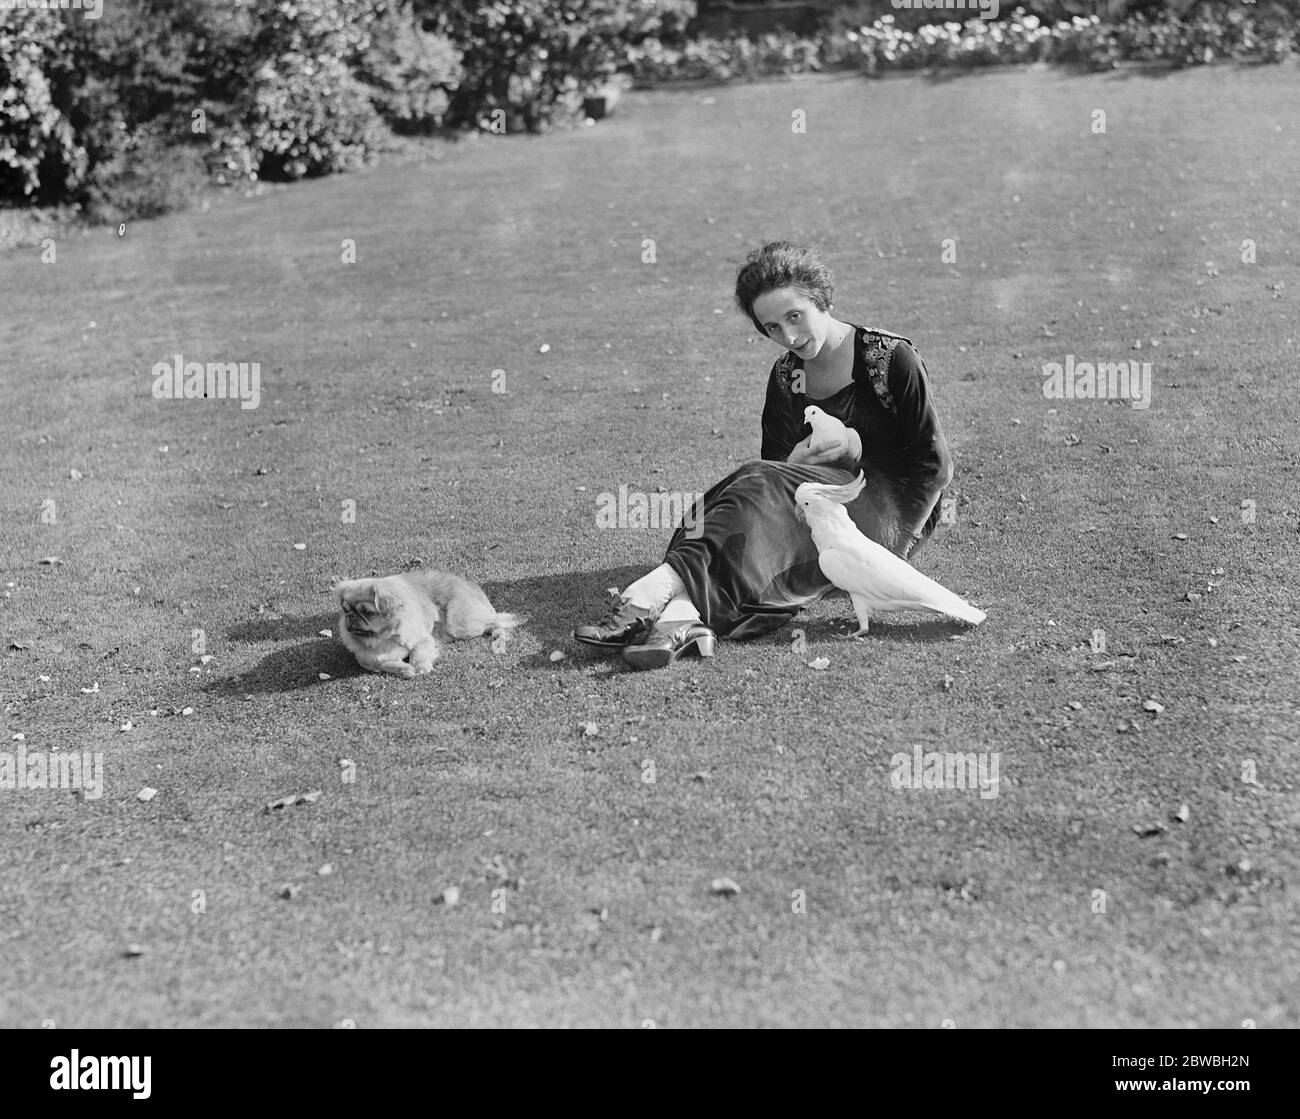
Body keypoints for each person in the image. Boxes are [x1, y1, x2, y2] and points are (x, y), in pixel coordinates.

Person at [575, 241, 954, 670]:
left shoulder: (888, 359)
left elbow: (934, 464)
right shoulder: (785, 376)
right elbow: (773, 470)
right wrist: (796, 459)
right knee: (748, 504)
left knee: (753, 500)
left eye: (795, 316)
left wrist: (892, 551)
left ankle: (646, 595)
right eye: (772, 327)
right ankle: (680, 621)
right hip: (814, 505)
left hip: (889, 514)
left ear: (820, 299)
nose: (788, 337)